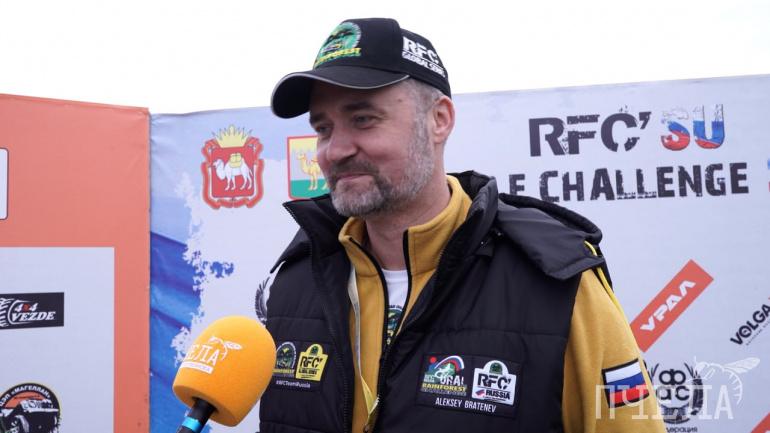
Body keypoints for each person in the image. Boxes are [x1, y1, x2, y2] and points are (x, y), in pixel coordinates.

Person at [260, 17, 665, 433]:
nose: (335, 150)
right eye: (323, 129)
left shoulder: (558, 284)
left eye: (363, 119)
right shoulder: (294, 281)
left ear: (439, 119)